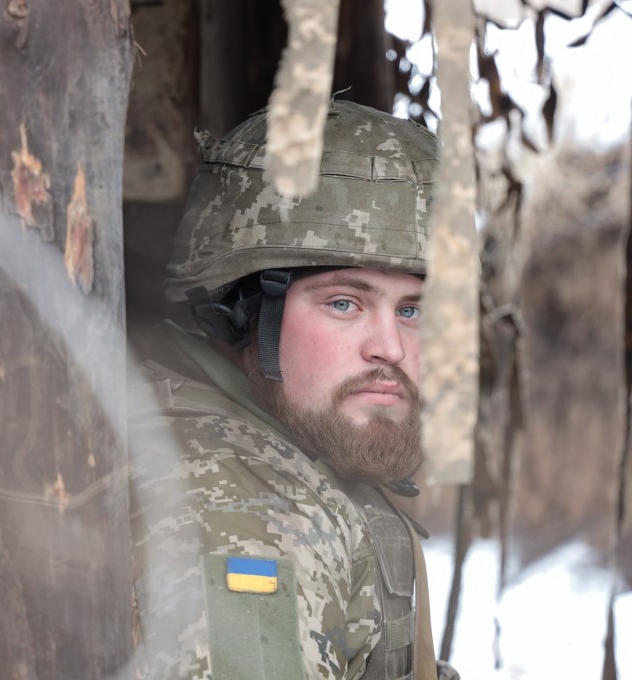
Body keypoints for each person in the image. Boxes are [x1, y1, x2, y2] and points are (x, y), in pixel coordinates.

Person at [129, 100, 459, 680]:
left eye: (413, 309)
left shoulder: (266, 448)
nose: (391, 347)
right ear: (245, 311)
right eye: (343, 303)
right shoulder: (248, 515)